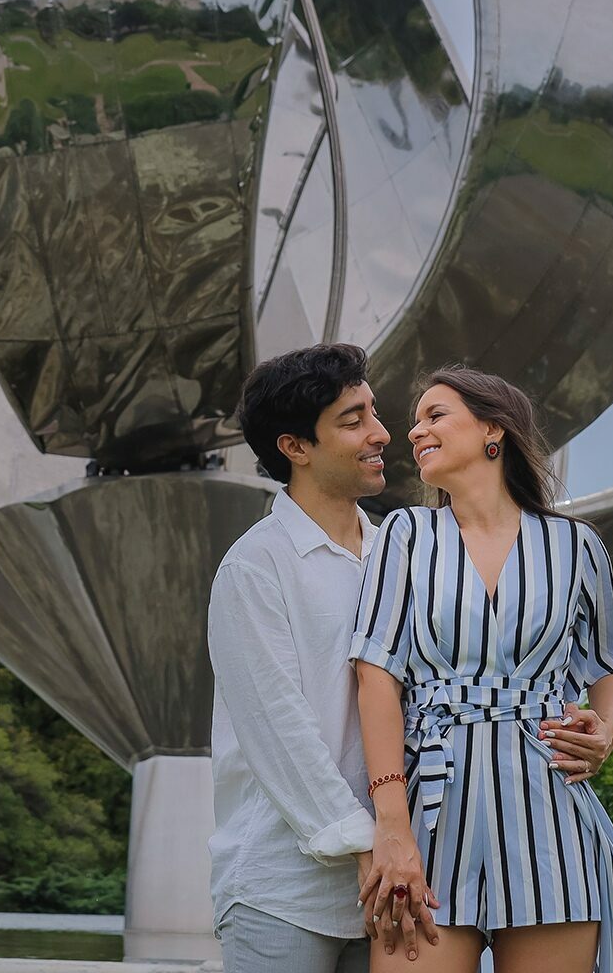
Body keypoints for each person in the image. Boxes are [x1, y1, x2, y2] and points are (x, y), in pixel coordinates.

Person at [350, 367, 613, 973]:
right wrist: (391, 828)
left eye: (435, 415)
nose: (414, 432)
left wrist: (605, 731)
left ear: (493, 429)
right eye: (415, 421)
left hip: (549, 814)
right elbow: (375, 677)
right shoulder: (405, 535)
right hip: (430, 820)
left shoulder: (575, 546)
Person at [207, 343, 396, 973]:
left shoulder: (398, 556)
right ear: (295, 447)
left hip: (397, 885)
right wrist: (369, 848)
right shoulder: (255, 567)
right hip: (282, 893)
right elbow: (278, 729)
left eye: (373, 412)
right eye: (353, 420)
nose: (380, 433)